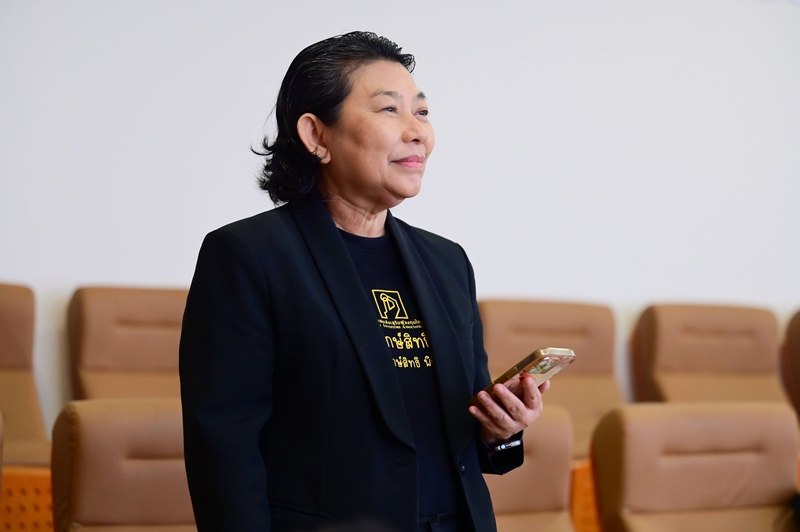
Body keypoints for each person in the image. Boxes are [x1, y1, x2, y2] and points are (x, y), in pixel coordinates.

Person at [179, 31, 549, 532]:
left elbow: (466, 437)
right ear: (316, 135)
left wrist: (501, 429)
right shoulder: (250, 256)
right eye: (389, 109)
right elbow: (225, 449)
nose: (417, 132)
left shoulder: (447, 262)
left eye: (421, 111)